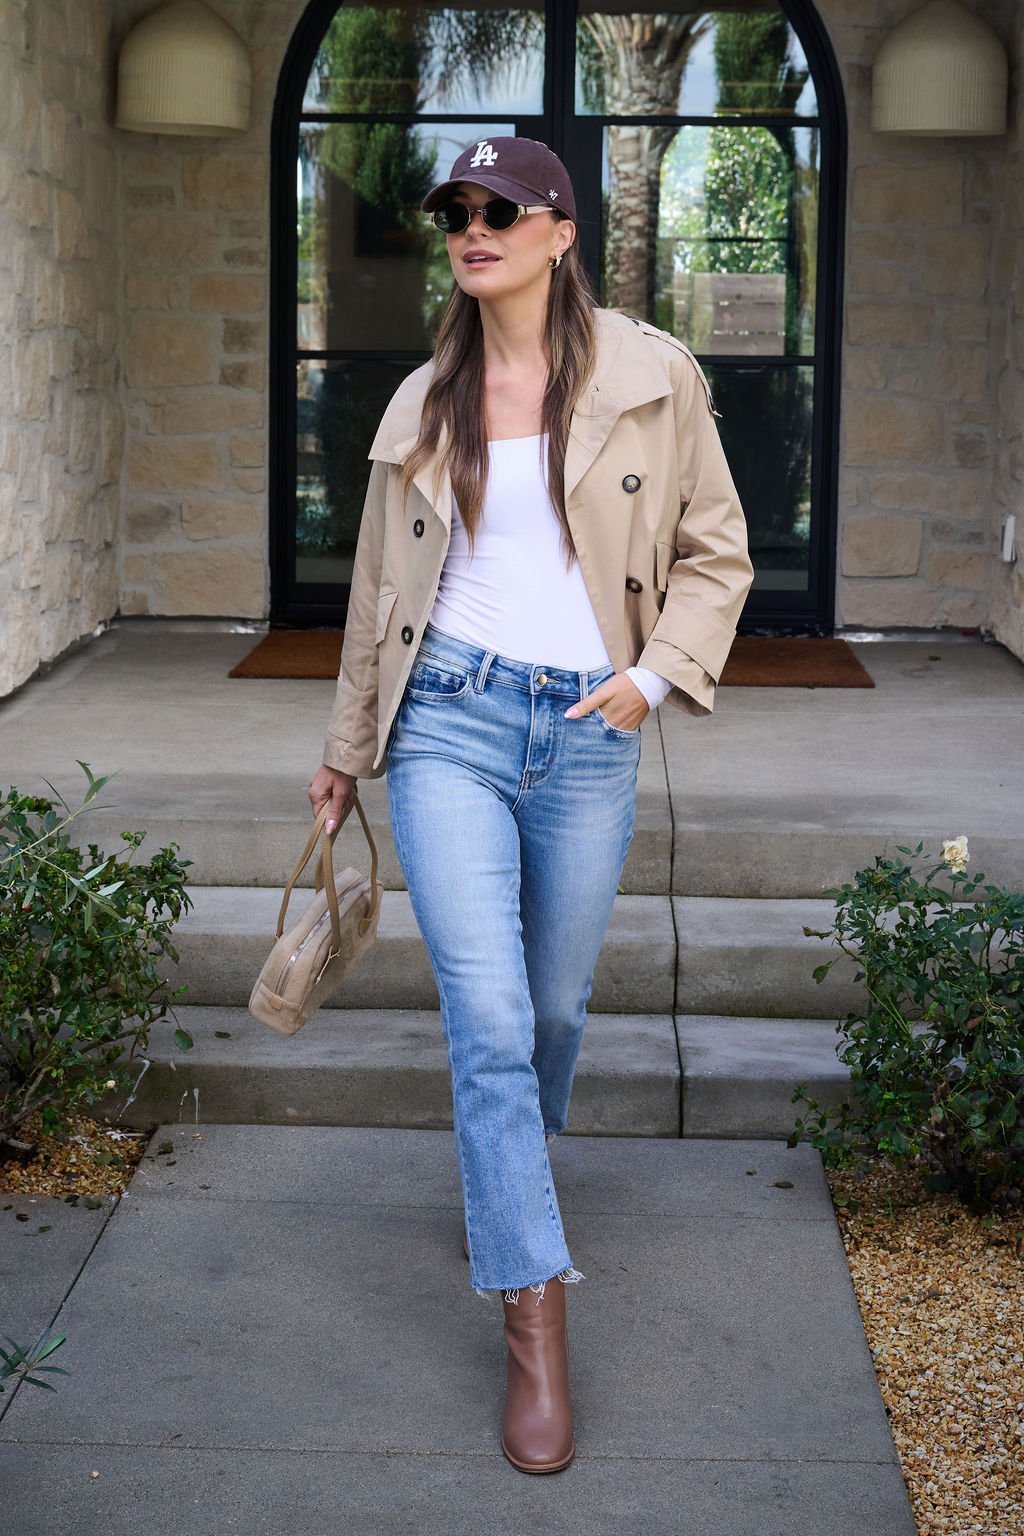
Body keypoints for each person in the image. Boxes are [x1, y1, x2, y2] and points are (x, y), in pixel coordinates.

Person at [308, 137, 753, 1473]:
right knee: (490, 1016)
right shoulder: (425, 399)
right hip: (446, 713)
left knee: (553, 1008)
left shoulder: (651, 374)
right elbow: (380, 596)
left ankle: (507, 1181)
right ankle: (533, 1318)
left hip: (587, 727)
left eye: (500, 209)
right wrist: (346, 747)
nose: (472, 227)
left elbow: (716, 549)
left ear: (561, 232)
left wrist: (654, 682)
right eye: (456, 209)